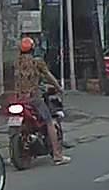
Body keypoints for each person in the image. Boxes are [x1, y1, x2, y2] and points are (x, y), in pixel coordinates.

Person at [14, 37, 69, 165]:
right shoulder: (37, 62)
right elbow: (48, 76)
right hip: (34, 98)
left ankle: (16, 153)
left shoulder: (16, 62)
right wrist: (59, 88)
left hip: (19, 98)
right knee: (49, 122)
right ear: (33, 49)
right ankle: (57, 156)